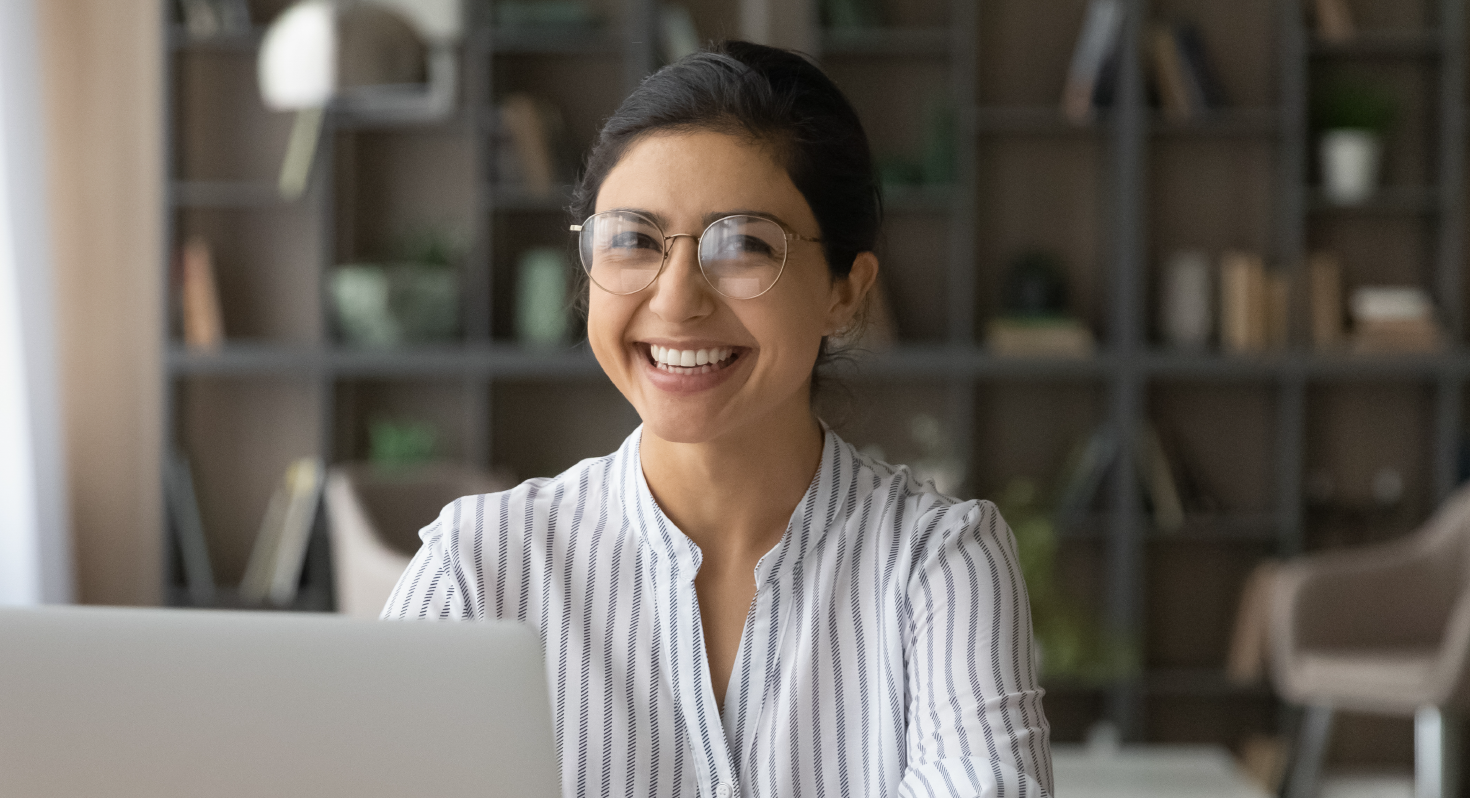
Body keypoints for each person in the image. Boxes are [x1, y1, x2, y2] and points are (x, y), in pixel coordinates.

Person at [383, 41, 1052, 798]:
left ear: (845, 290)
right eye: (632, 240)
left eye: (741, 245)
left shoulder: (939, 563)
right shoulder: (477, 569)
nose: (675, 300)